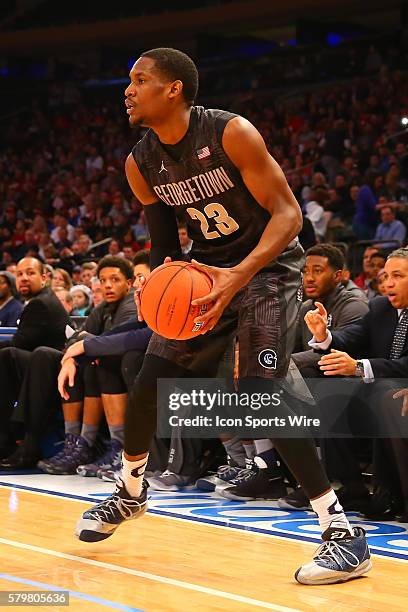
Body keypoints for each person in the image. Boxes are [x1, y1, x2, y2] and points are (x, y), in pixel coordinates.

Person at [75, 47, 371, 585]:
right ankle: (131, 491)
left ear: (174, 89)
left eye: (139, 80)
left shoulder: (230, 133)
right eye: (128, 81)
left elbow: (289, 216)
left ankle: (342, 532)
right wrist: (159, 281)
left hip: (271, 267)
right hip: (209, 273)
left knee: (261, 390)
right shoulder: (139, 163)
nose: (127, 89)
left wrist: (240, 273)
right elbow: (166, 243)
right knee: (150, 382)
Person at [305, 246, 408, 522]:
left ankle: (394, 494)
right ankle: (351, 487)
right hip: (380, 391)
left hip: (397, 394)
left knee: (388, 397)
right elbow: (353, 337)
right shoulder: (379, 307)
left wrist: (359, 366)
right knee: (332, 393)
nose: (387, 283)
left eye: (397, 276)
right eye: (385, 276)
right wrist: (325, 336)